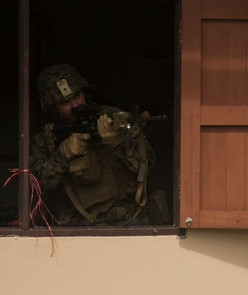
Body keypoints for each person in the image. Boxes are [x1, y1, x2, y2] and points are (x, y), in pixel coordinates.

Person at [29, 63, 168, 226]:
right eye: (65, 102)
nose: (76, 105)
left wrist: (119, 142)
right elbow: (37, 189)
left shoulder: (115, 118)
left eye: (77, 96)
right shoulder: (47, 140)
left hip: (135, 218)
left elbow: (148, 165)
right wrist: (62, 155)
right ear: (53, 108)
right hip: (86, 226)